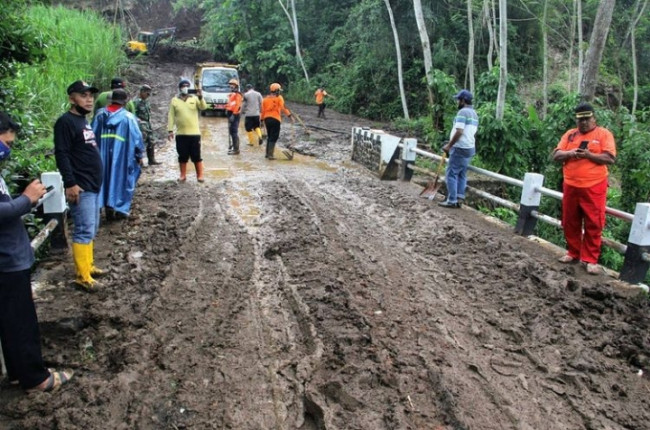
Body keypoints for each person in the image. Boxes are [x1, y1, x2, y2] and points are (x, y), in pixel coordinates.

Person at [0, 111, 74, 393]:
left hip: (10, 257)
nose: (7, 149)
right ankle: (37, 378)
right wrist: (26, 199)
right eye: (6, 143)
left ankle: (19, 372)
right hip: (7, 260)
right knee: (21, 322)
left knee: (10, 321)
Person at [54, 80, 106, 291]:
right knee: (83, 230)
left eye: (91, 95)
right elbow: (62, 154)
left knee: (91, 228)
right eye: (83, 95)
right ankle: (82, 276)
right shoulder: (65, 122)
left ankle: (89, 265)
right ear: (71, 98)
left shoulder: (83, 121)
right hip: (81, 186)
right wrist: (70, 183)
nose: (89, 99)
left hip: (92, 184)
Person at [553, 102, 616, 275]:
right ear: (576, 121)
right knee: (569, 221)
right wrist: (571, 153)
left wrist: (589, 155)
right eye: (581, 120)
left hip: (594, 186)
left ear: (594, 118)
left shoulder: (604, 134)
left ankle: (590, 259)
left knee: (594, 222)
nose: (584, 123)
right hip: (571, 185)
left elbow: (610, 158)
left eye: (587, 119)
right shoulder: (570, 135)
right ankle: (573, 252)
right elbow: (556, 154)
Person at [91, 88, 145, 220]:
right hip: (123, 156)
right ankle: (119, 208)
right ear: (125, 101)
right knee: (123, 179)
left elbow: (90, 136)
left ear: (111, 99)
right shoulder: (128, 118)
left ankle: (100, 206)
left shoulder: (99, 116)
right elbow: (137, 139)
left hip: (100, 156)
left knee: (102, 179)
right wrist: (139, 156)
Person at [439, 89, 479, 208]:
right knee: (461, 174)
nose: (457, 102)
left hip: (460, 147)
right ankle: (459, 198)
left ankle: (451, 200)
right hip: (469, 147)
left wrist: (449, 145)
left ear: (463, 100)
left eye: (458, 100)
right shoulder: (474, 114)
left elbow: (459, 131)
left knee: (451, 173)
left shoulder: (462, 113)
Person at [167, 79, 207, 182]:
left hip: (194, 133)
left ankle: (200, 175)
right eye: (183, 86)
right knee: (182, 155)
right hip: (181, 133)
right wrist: (170, 130)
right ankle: (183, 175)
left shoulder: (194, 99)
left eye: (187, 86)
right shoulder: (174, 100)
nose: (185, 88)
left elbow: (203, 107)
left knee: (196, 155)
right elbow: (171, 116)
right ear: (180, 88)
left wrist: (200, 96)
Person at [261, 83, 293, 160]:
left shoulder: (265, 100)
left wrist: (261, 120)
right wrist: (290, 116)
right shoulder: (279, 98)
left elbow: (262, 111)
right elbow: (283, 108)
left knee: (269, 136)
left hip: (267, 119)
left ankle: (267, 154)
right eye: (279, 91)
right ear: (277, 91)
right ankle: (270, 155)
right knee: (274, 137)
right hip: (275, 119)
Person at [133, 84, 160, 166]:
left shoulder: (146, 102)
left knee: (151, 141)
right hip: (140, 125)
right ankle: (139, 162)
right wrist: (137, 120)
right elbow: (132, 114)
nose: (148, 95)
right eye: (147, 93)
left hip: (147, 124)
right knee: (141, 143)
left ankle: (151, 160)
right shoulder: (136, 102)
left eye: (149, 94)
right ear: (142, 92)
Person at [226, 78, 243, 155]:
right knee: (231, 132)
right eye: (230, 85)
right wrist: (227, 110)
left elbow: (238, 106)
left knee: (234, 132)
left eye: (232, 85)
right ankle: (234, 147)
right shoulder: (231, 94)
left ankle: (236, 149)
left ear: (236, 86)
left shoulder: (238, 95)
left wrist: (233, 114)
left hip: (235, 115)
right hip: (230, 114)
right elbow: (230, 104)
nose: (231, 86)